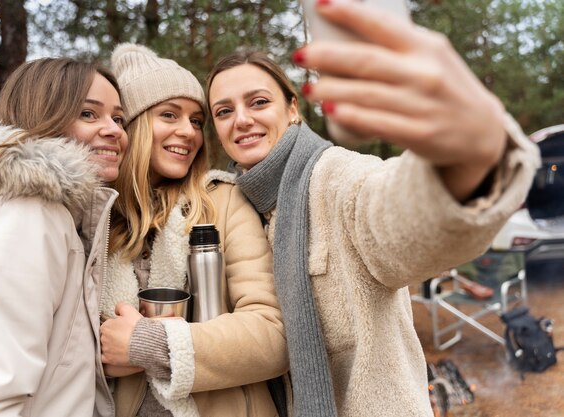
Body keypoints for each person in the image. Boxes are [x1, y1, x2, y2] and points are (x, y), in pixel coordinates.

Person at [205, 2, 540, 417]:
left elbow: (394, 216)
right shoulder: (229, 206)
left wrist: (467, 159)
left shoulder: (334, 176)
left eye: (257, 102)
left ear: (293, 108)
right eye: (224, 111)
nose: (241, 120)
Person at [97, 43, 288, 417]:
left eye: (197, 120)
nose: (188, 132)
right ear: (132, 125)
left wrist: (150, 345)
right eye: (169, 115)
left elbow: (272, 336)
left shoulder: (223, 202)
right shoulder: (97, 220)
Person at [0, 58, 127, 416]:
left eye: (118, 118)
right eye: (89, 114)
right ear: (43, 116)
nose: (114, 129)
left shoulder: (39, 213)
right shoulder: (22, 215)